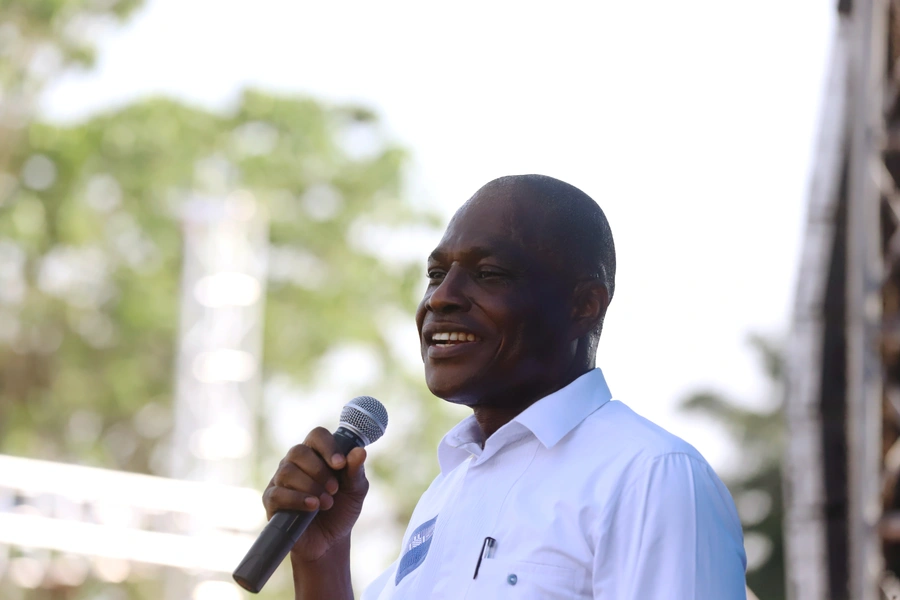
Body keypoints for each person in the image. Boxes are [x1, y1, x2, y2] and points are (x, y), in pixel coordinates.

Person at [263, 174, 748, 599]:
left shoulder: (650, 476)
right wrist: (321, 557)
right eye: (435, 275)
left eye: (488, 274)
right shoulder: (447, 490)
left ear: (583, 306)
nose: (442, 298)